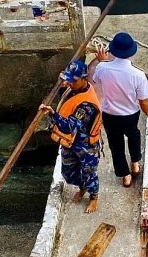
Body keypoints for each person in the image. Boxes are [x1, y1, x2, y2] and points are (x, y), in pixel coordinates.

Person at [88, 32, 148, 187]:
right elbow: (143, 101)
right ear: (131, 52)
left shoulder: (103, 68)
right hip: (130, 114)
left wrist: (101, 61)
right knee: (133, 135)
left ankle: (125, 176)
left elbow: (95, 79)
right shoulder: (138, 75)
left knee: (116, 144)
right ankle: (135, 164)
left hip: (110, 114)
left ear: (112, 50)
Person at [40, 59, 102, 214]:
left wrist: (52, 113)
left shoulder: (86, 105)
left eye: (73, 80)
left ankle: (94, 197)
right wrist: (63, 85)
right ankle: (81, 187)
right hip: (71, 142)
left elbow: (69, 127)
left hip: (85, 144)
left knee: (88, 172)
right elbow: (66, 100)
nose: (70, 83)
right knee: (68, 172)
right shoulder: (73, 87)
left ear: (84, 79)